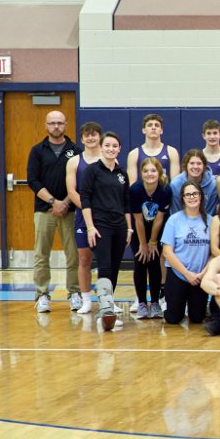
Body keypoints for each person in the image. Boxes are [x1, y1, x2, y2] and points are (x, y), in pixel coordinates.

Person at [28, 110, 80, 313]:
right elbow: (33, 180)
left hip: (70, 210)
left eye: (60, 123)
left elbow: (79, 181)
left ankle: (74, 292)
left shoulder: (75, 150)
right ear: (46, 125)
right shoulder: (37, 151)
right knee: (41, 254)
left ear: (65, 125)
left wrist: (65, 202)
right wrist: (53, 201)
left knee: (73, 254)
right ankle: (42, 294)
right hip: (44, 210)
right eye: (52, 123)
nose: (56, 126)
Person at [79, 131, 132, 331]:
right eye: (107, 145)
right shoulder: (92, 171)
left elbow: (126, 204)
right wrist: (90, 227)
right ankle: (104, 309)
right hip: (100, 226)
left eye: (114, 146)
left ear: (119, 149)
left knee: (115, 267)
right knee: (105, 266)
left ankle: (108, 306)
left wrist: (129, 228)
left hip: (120, 226)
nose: (111, 149)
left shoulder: (122, 174)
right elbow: (85, 199)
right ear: (101, 147)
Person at [160, 180, 211, 327]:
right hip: (178, 274)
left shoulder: (211, 220)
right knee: (174, 319)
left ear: (201, 196)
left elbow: (214, 254)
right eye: (188, 194)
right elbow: (167, 252)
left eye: (195, 193)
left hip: (199, 277)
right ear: (182, 198)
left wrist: (202, 274)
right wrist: (187, 274)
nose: (192, 197)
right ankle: (167, 303)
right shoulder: (174, 220)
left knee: (197, 318)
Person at [65, 121, 102, 314]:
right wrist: (88, 208)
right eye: (87, 135)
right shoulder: (74, 162)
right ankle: (86, 300)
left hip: (104, 215)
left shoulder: (108, 158)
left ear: (99, 137)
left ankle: (106, 300)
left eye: (94, 134)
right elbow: (72, 191)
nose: (91, 137)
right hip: (82, 215)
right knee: (84, 258)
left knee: (106, 261)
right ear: (82, 139)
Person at [129, 157, 171, 320]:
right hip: (139, 231)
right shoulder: (135, 190)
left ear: (159, 172)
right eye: (145, 171)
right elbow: (138, 220)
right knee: (140, 262)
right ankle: (141, 303)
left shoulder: (165, 190)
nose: (149, 174)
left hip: (157, 231)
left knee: (154, 263)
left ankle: (154, 302)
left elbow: (159, 218)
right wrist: (143, 244)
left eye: (153, 170)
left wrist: (153, 242)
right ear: (141, 173)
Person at [126, 113, 180, 183]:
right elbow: (132, 185)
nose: (153, 128)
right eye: (150, 125)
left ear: (161, 130)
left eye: (157, 125)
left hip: (165, 189)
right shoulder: (134, 154)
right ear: (143, 130)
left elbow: (175, 184)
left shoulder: (172, 152)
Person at [170, 149, 218, 216]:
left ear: (204, 166)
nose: (195, 167)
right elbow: (176, 212)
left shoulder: (213, 184)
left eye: (199, 163)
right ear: (186, 165)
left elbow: (210, 213)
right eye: (192, 163)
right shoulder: (176, 184)